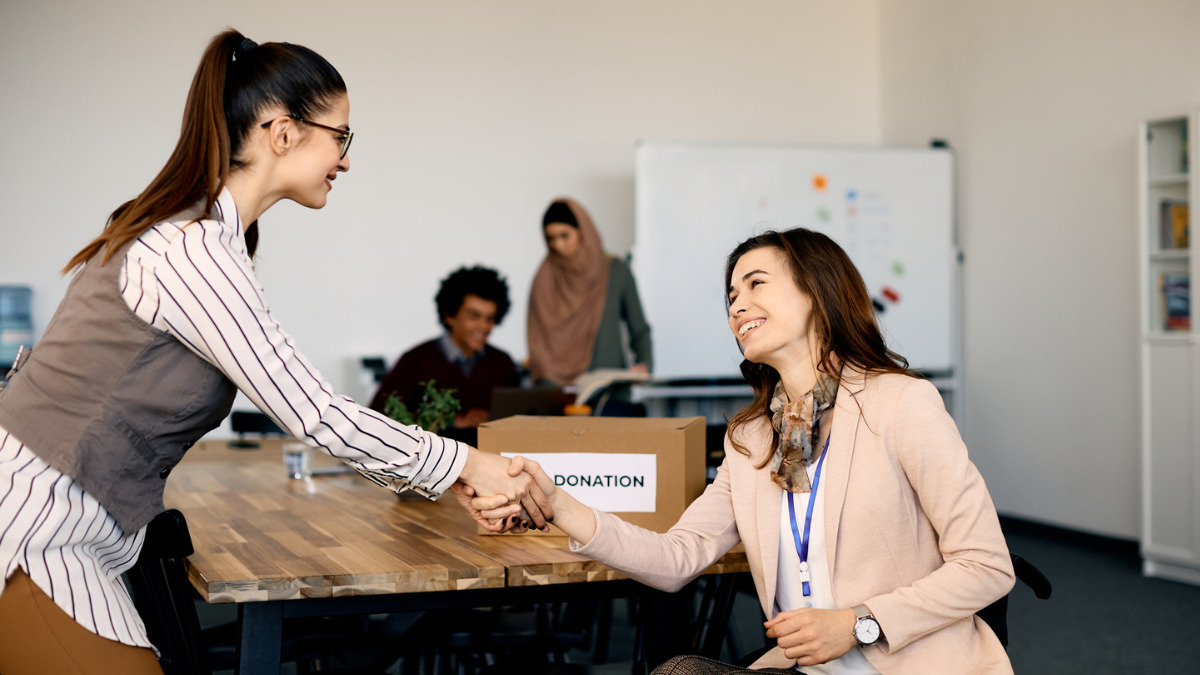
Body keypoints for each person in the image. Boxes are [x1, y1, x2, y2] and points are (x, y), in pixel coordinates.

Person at [0, 30, 548, 674]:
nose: (345, 160)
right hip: (36, 524)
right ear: (282, 132)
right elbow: (312, 410)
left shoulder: (212, 240)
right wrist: (465, 466)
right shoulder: (192, 250)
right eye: (340, 137)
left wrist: (447, 472)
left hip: (75, 523)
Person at [478, 228, 1016, 674]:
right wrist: (558, 504)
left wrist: (856, 622)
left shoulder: (902, 402)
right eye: (732, 295)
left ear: (818, 291)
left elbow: (988, 566)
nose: (738, 304)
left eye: (756, 283)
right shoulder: (754, 437)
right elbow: (675, 559)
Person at [369, 265, 519, 428]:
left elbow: (519, 418)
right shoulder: (415, 361)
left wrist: (490, 417)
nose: (484, 326)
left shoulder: (502, 364)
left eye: (490, 319)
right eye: (474, 316)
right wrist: (449, 421)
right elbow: (377, 417)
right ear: (449, 315)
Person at [527, 198, 653, 386]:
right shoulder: (544, 279)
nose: (558, 245)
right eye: (550, 238)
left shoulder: (615, 272)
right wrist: (549, 382)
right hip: (558, 396)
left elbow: (639, 329)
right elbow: (537, 342)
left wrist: (644, 364)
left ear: (582, 231)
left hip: (609, 394)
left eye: (564, 235)